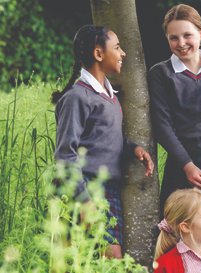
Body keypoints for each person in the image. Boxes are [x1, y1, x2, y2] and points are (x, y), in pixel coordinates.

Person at [52, 25, 154, 258]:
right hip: (86, 187)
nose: (123, 53)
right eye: (117, 48)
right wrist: (84, 201)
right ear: (99, 54)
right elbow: (65, 155)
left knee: (104, 260)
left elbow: (103, 137)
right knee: (108, 259)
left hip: (108, 189)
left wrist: (133, 148)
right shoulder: (78, 97)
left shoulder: (108, 94)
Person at [148, 4, 201, 209]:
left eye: (187, 35)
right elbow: (162, 125)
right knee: (178, 231)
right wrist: (187, 165)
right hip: (181, 168)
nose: (181, 43)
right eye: (173, 38)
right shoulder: (160, 74)